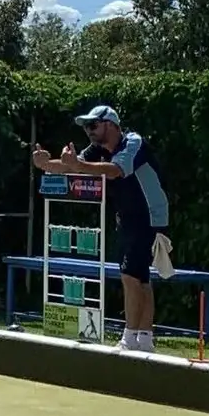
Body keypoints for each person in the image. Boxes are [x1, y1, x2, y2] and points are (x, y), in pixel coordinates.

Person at [33, 104, 172, 351]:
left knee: (130, 275)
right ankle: (145, 339)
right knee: (140, 278)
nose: (89, 131)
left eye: (93, 125)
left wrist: (76, 165)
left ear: (111, 125)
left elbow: (115, 171)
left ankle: (129, 339)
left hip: (150, 216)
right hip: (128, 218)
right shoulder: (97, 149)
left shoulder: (133, 142)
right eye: (86, 126)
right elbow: (69, 165)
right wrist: (46, 164)